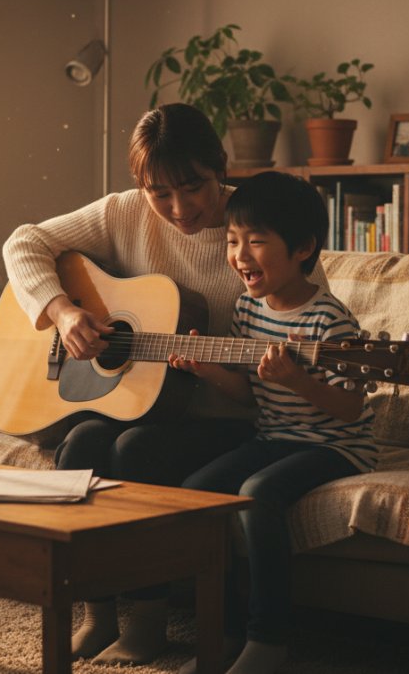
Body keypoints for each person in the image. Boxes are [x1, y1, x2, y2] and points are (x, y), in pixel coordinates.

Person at [1, 103, 324, 666]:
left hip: (227, 417)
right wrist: (62, 311)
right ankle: (99, 614)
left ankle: (147, 621)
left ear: (219, 166)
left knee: (134, 450)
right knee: (79, 446)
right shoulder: (123, 214)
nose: (180, 208)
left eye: (194, 186)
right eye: (159, 193)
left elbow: (305, 314)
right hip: (141, 400)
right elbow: (23, 242)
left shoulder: (261, 226)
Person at [171, 171, 376, 674]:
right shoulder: (247, 309)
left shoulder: (330, 320)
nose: (240, 256)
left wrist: (300, 382)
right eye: (233, 241)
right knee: (194, 494)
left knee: (259, 493)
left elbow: (352, 410)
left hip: (335, 446)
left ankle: (269, 641)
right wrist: (210, 371)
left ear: (304, 247)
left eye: (256, 242)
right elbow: (247, 395)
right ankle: (222, 633)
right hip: (274, 436)